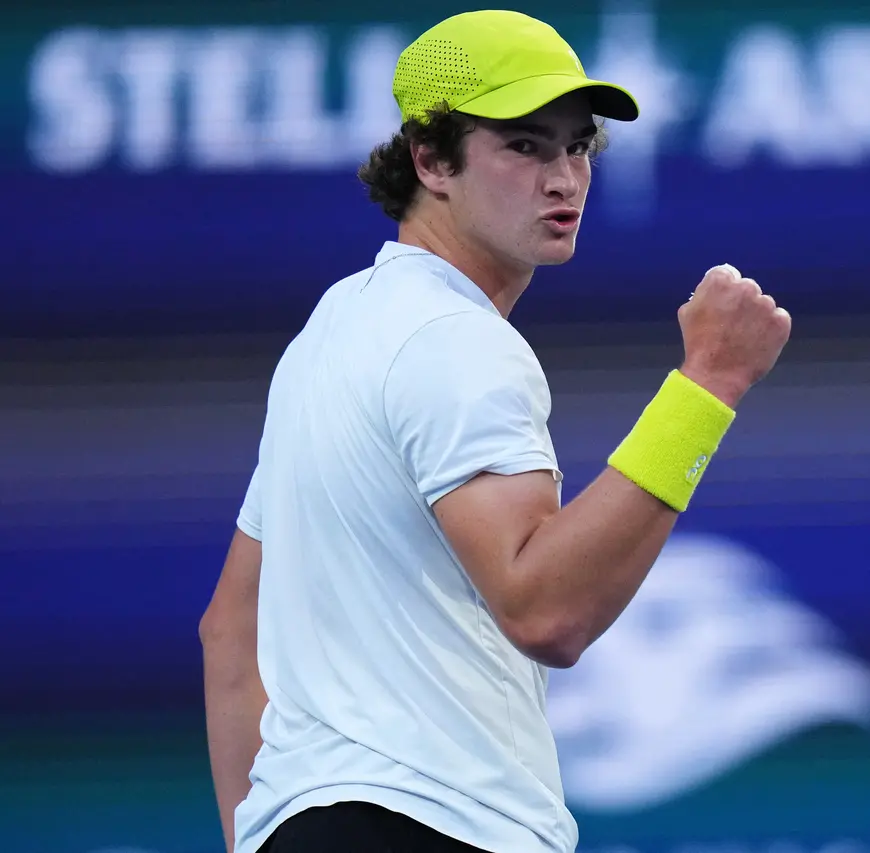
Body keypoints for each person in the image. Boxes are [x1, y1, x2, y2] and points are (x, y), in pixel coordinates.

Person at [198, 9, 791, 853]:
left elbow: (230, 629)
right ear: (430, 160)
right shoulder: (455, 338)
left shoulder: (332, 330)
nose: (565, 178)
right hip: (441, 827)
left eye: (577, 147)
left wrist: (254, 836)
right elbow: (547, 611)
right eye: (524, 146)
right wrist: (708, 384)